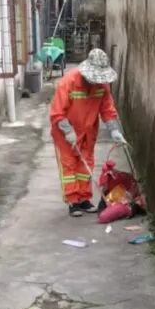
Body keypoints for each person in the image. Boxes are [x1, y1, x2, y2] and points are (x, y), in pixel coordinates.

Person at [49, 48, 126, 216]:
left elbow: (107, 110)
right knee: (69, 165)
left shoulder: (103, 85)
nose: (96, 82)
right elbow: (57, 113)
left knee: (86, 164)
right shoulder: (68, 82)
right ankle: (73, 201)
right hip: (65, 132)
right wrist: (67, 131)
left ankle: (84, 199)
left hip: (88, 131)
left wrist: (114, 130)